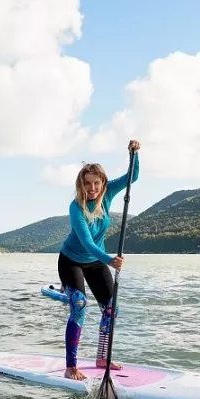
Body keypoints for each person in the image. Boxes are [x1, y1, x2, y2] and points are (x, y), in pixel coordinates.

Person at [57, 139, 140, 381]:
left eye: (96, 183)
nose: (92, 188)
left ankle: (102, 357)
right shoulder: (76, 208)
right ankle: (70, 366)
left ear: (102, 183)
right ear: (81, 185)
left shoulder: (108, 194)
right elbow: (86, 243)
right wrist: (109, 259)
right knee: (80, 305)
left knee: (111, 309)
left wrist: (133, 153)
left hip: (95, 262)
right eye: (87, 184)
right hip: (71, 260)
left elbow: (131, 177)